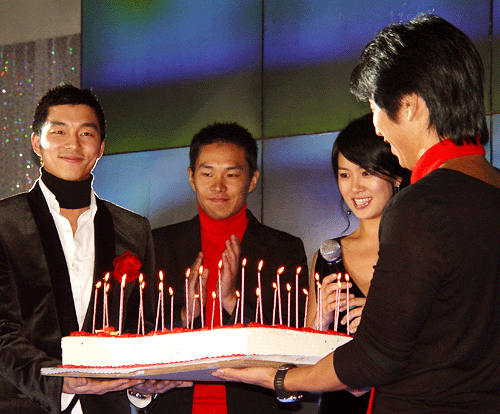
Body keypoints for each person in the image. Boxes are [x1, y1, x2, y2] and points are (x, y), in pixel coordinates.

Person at [213, 14, 500, 413]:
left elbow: (376, 357)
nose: (378, 129)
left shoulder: (420, 206)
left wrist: (279, 378)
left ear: (409, 105)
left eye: (376, 108)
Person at [0, 84, 160, 414]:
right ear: (37, 143)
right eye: (59, 131)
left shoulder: (133, 230)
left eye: (86, 133)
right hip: (23, 404)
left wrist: (142, 385)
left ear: (100, 147)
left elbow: (142, 326)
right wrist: (56, 382)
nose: (73, 144)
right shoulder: (5, 223)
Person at [151, 122, 308, 414]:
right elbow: (136, 331)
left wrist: (231, 301)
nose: (218, 186)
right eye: (207, 173)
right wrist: (185, 314)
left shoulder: (284, 249)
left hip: (255, 405)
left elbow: (294, 341)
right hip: (173, 405)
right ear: (191, 177)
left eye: (232, 174)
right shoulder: (158, 245)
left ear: (252, 179)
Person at [306, 114, 410, 413]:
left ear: (396, 176)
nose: (355, 188)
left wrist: (384, 324)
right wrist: (321, 321)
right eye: (344, 175)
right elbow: (306, 356)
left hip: (405, 401)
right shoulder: (327, 256)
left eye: (366, 172)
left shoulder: (419, 249)